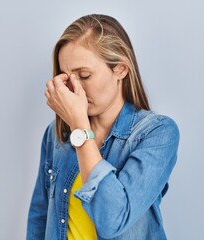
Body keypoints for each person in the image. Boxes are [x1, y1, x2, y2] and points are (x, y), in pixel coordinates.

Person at [27, 14, 180, 240]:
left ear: (120, 69)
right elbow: (39, 217)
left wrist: (80, 127)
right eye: (67, 79)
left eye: (85, 75)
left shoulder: (157, 133)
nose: (75, 89)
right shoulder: (56, 134)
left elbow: (113, 219)